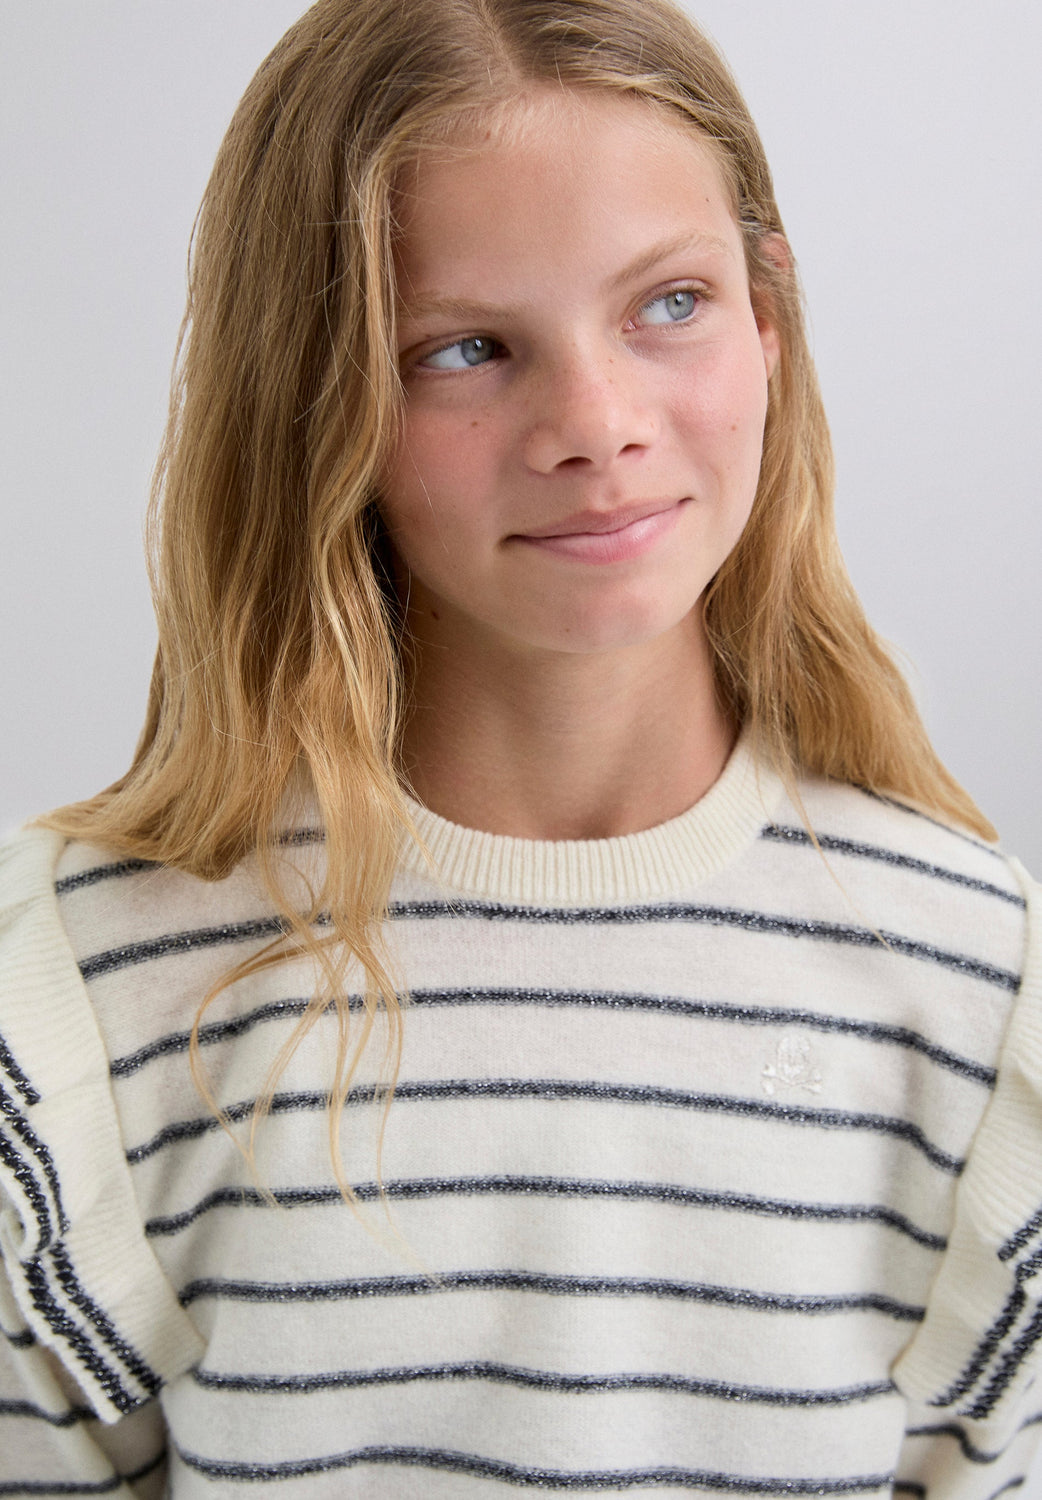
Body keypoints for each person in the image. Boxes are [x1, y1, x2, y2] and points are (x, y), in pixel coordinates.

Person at [1, 0, 1039, 1493]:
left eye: (668, 302)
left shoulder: (977, 987)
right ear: (315, 405)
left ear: (769, 320)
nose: (596, 424)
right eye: (466, 348)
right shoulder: (86, 1003)